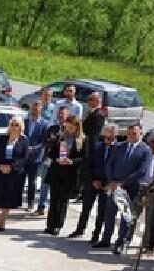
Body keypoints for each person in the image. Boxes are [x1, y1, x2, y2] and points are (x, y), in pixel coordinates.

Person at [102, 123, 152, 254]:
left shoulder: (145, 150)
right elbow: (109, 164)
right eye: (129, 134)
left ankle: (121, 242)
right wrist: (112, 180)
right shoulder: (119, 147)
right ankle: (106, 239)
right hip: (114, 186)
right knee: (109, 213)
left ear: (141, 134)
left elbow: (141, 171)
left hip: (130, 188)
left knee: (126, 216)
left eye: (134, 134)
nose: (130, 136)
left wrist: (123, 183)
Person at [70, 91, 107, 238]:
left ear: (97, 101)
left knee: (98, 207)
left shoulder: (98, 115)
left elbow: (92, 136)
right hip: (88, 164)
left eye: (91, 99)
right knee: (86, 202)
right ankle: (80, 228)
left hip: (91, 159)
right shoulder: (91, 113)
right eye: (88, 99)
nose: (88, 101)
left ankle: (95, 233)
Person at [0, 117, 28, 231]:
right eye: (12, 124)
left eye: (16, 125)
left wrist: (11, 167)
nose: (14, 127)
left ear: (21, 127)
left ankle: (2, 222)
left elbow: (24, 158)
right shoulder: (3, 138)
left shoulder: (24, 141)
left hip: (14, 173)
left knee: (8, 197)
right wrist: (1, 165)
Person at [42, 116, 84, 236]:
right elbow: (51, 153)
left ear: (77, 128)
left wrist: (71, 161)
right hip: (56, 171)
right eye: (67, 126)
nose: (69, 129)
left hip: (69, 174)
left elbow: (83, 157)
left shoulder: (81, 140)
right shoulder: (60, 137)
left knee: (63, 200)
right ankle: (50, 225)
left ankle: (58, 225)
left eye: (72, 127)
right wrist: (56, 159)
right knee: (54, 199)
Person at [83, 123, 118, 247]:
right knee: (86, 206)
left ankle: (96, 234)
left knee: (102, 211)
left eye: (110, 138)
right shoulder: (97, 146)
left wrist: (109, 183)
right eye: (105, 137)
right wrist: (94, 179)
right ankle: (80, 229)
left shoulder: (118, 149)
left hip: (107, 184)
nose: (107, 140)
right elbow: (89, 164)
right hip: (94, 181)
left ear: (115, 136)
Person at [24, 102, 53, 212]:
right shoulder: (25, 122)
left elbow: (44, 141)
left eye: (37, 109)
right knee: (19, 179)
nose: (34, 110)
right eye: (33, 108)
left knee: (32, 181)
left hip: (35, 156)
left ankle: (30, 203)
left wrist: (34, 148)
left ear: (41, 110)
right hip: (23, 155)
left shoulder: (44, 124)